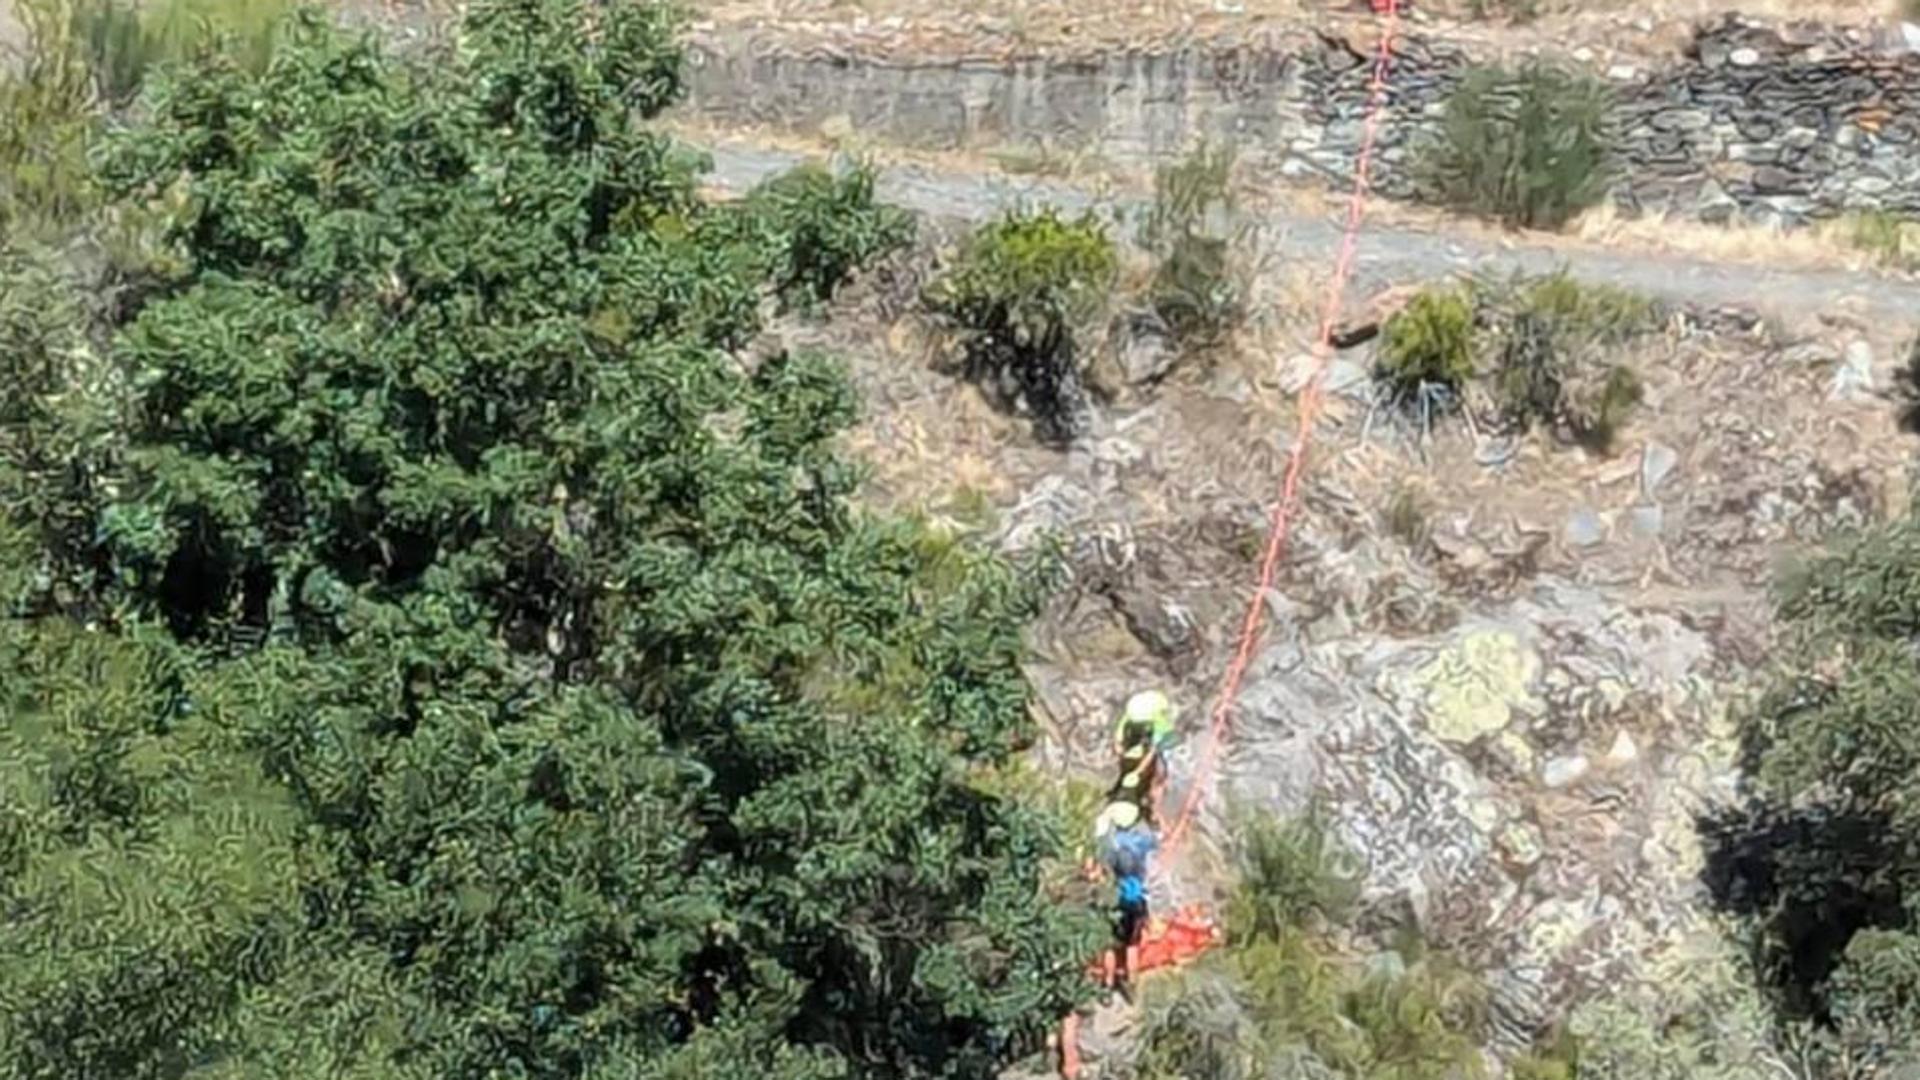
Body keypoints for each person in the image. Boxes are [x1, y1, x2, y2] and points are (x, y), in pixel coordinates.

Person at [1093, 798, 1157, 990]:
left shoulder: (1110, 847)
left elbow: (1100, 870)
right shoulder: (1140, 841)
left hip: (1114, 901)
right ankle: (1132, 982)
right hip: (1137, 900)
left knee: (1109, 945)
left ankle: (1108, 981)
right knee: (1132, 946)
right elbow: (1156, 843)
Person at [1111, 690, 1177, 821]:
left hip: (1164, 744)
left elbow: (1152, 752)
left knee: (1167, 770)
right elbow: (1118, 740)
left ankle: (1159, 799)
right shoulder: (1130, 717)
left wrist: (1138, 771)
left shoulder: (1161, 725)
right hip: (1142, 747)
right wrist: (1122, 754)